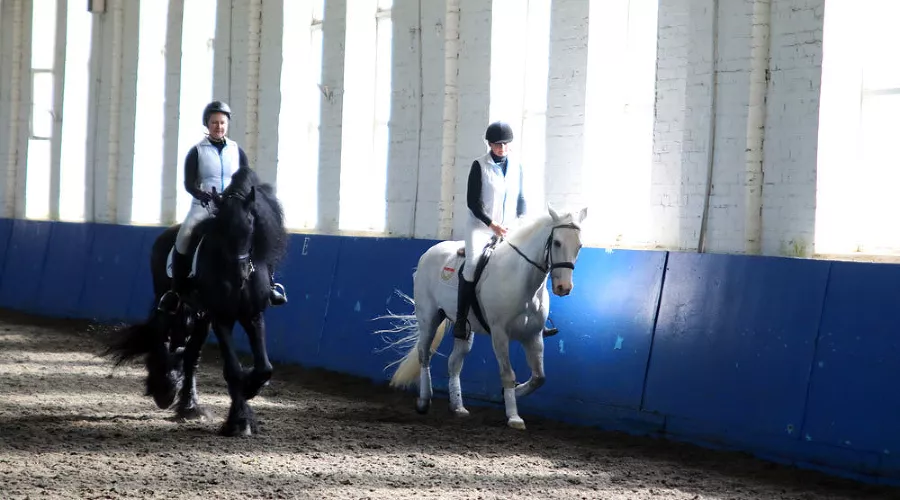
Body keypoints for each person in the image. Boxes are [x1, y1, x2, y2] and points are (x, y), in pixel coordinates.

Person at [157, 100, 287, 313]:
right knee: (184, 235)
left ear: (227, 124)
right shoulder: (197, 152)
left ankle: (270, 285)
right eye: (214, 122)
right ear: (207, 124)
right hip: (204, 206)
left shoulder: (237, 151)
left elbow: (246, 178)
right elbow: (189, 184)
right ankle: (175, 291)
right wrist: (202, 195)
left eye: (222, 122)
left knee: (259, 232)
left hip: (232, 207)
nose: (218, 126)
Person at [455, 121, 527, 340]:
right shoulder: (479, 165)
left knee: (526, 261)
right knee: (471, 266)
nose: (502, 148)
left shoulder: (516, 167)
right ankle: (460, 320)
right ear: (489, 144)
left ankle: (530, 317)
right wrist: (492, 224)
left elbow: (521, 199)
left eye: (505, 144)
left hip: (508, 229)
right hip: (481, 228)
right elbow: (472, 202)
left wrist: (521, 221)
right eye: (497, 144)